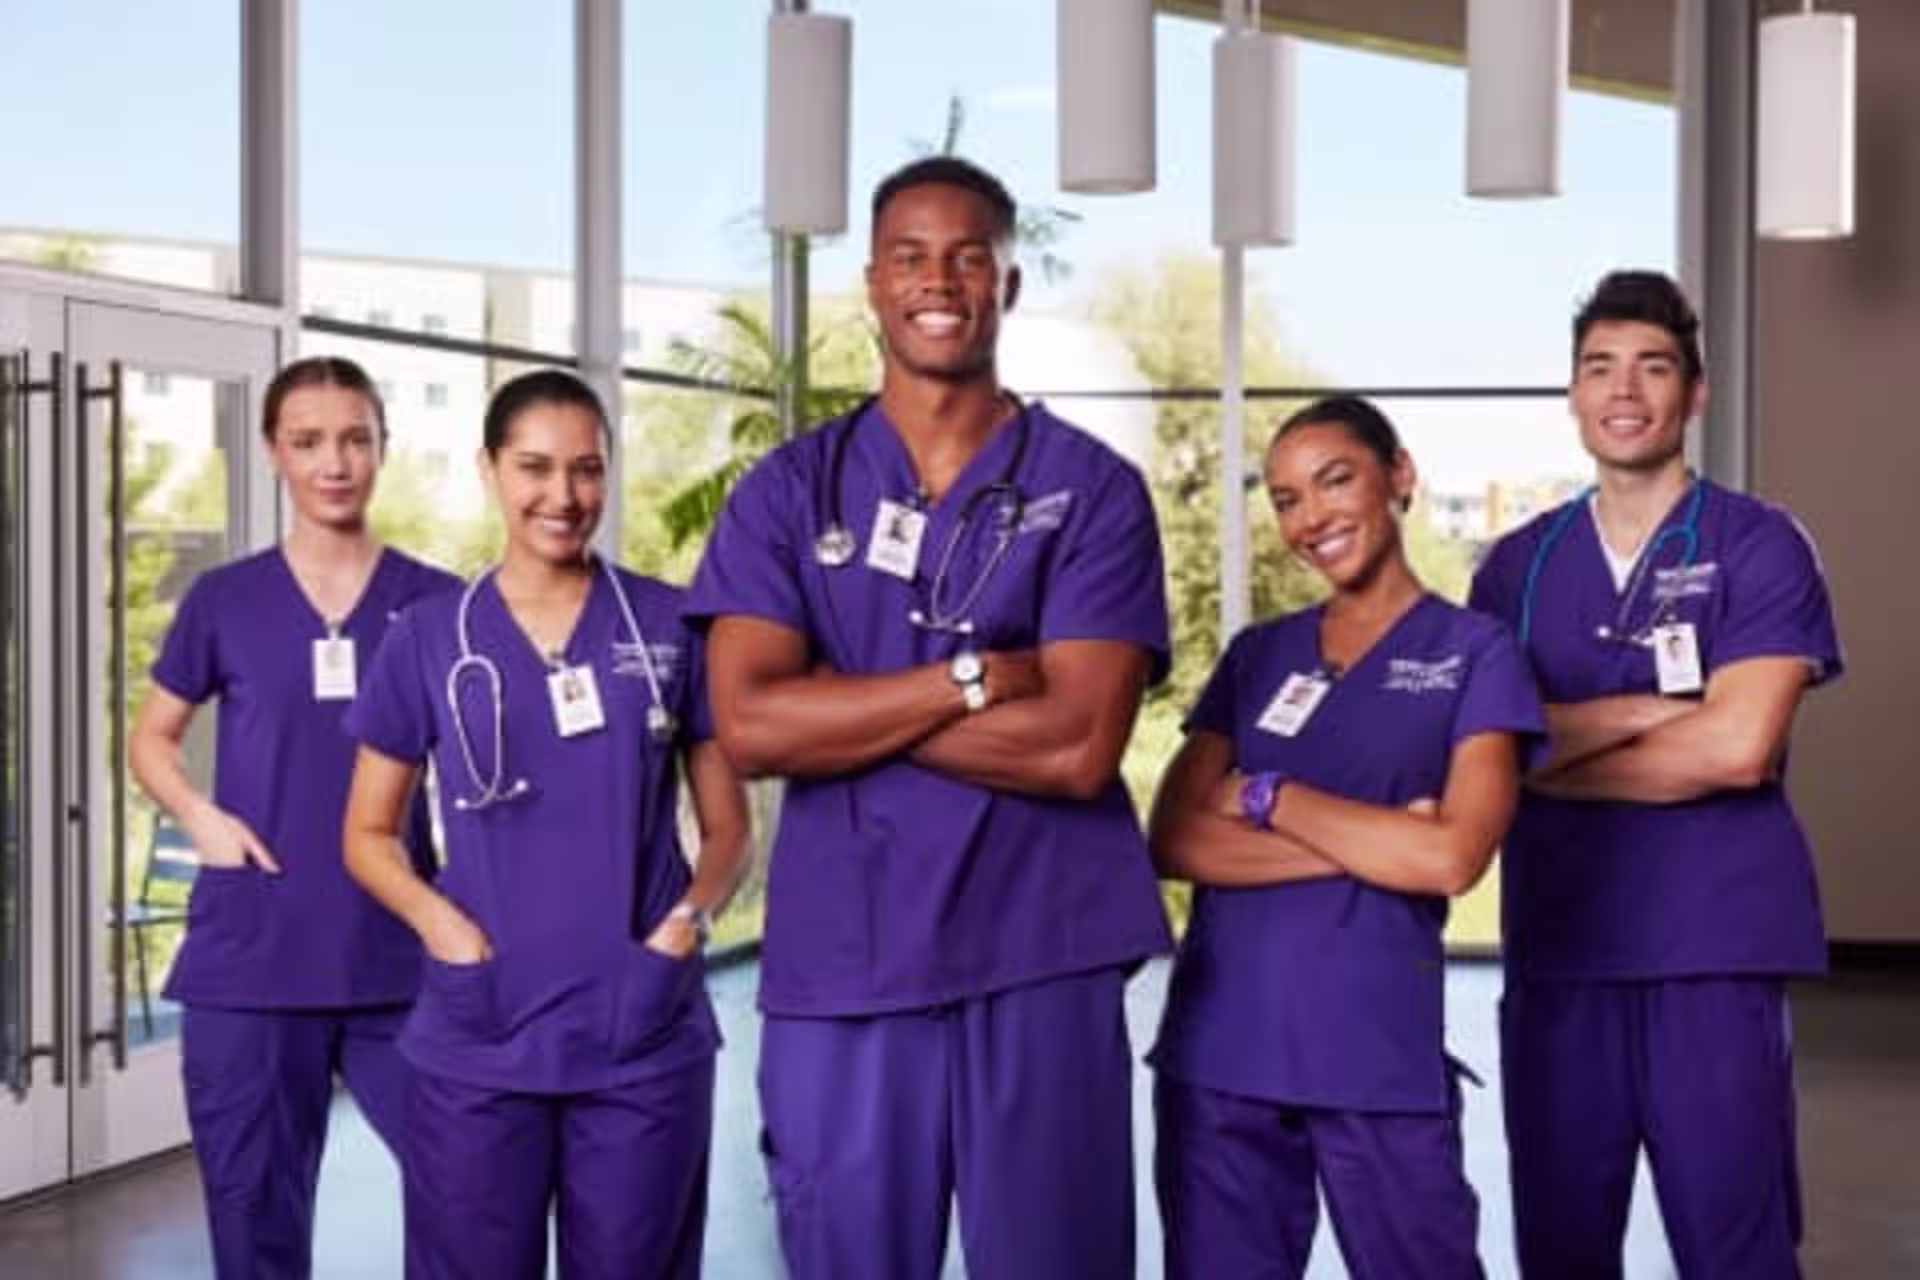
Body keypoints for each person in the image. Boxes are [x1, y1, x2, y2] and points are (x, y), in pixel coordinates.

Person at [684, 155, 1172, 1280]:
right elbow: (750, 725)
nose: (937, 279)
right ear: (872, 282)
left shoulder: (1089, 490)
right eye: (910, 256)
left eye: (967, 256)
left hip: (1039, 957)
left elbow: (1076, 744)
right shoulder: (788, 492)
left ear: (1007, 283)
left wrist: (843, 696)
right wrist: (962, 680)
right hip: (846, 971)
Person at [1469, 270, 1842, 1279]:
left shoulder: (1760, 544)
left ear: (1696, 391)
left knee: (1735, 1242)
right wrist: (1646, 713)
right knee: (1562, 1243)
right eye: (1600, 367)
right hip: (1563, 955)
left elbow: (1737, 748)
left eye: (1652, 366)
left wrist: (1547, 752)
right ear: (1573, 393)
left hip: (1710, 954)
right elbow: (1487, 761)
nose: (1623, 389)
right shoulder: (1514, 568)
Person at [342, 369, 749, 1279]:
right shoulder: (428, 636)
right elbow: (366, 835)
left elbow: (728, 830)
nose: (563, 496)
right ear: (487, 469)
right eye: (534, 466)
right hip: (482, 1027)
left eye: (587, 470)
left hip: (640, 1025)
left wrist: (686, 927)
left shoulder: (671, 625)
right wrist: (440, 926)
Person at [1147, 396, 1543, 1280]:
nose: (1312, 516)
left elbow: (1449, 858)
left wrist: (1264, 794)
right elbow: (1173, 837)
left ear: (1398, 475)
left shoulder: (1476, 653)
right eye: (1286, 499)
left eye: (1334, 480)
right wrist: (1373, 842)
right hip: (1223, 1058)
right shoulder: (1257, 656)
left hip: (1376, 1056)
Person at [128, 356, 459, 1279]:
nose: (335, 461)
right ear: (275, 452)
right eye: (309, 441)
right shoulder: (224, 601)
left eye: (355, 438)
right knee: (254, 1222)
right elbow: (150, 739)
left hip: (401, 957)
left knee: (467, 1197)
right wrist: (199, 817)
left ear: (383, 448)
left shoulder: (435, 603)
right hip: (253, 955)